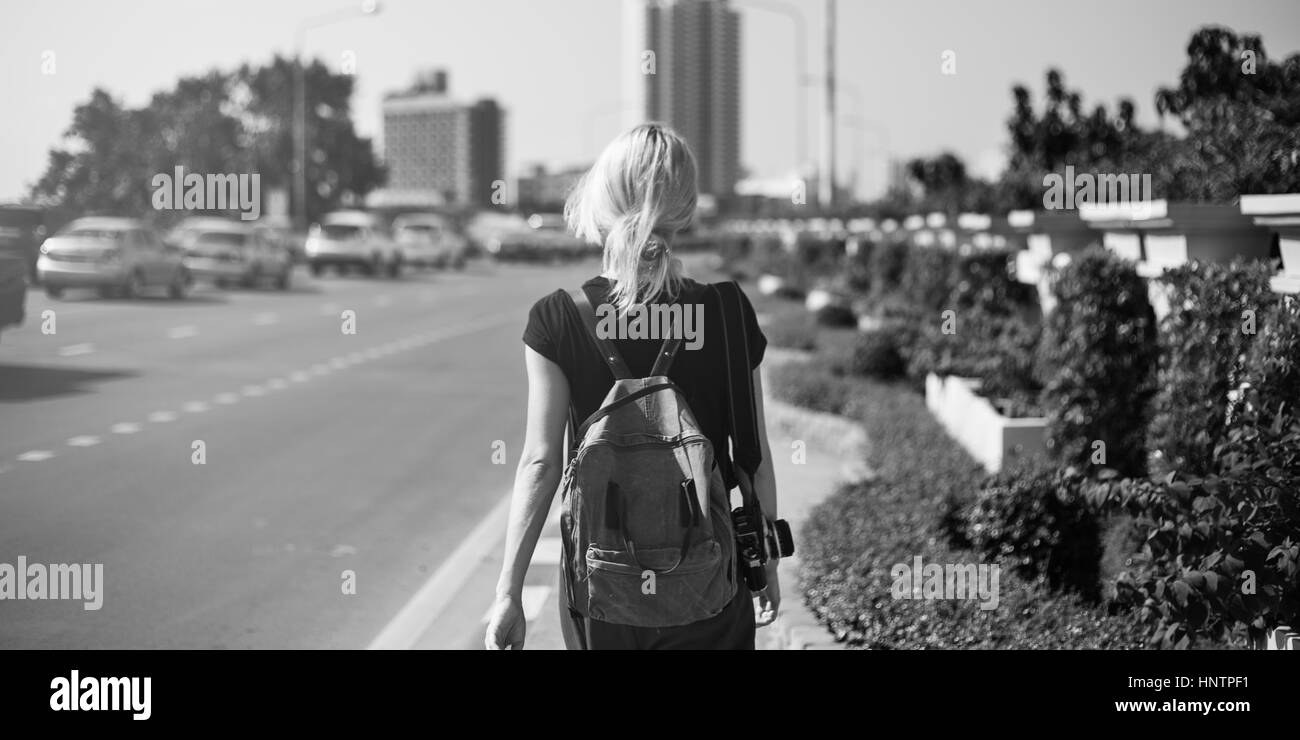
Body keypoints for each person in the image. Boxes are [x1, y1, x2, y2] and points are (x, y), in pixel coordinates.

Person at [484, 122, 780, 650]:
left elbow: (540, 462)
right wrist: (768, 564)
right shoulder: (729, 311)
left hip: (602, 591)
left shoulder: (558, 318)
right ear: (686, 209)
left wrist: (508, 591)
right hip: (710, 584)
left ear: (601, 202)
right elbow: (752, 458)